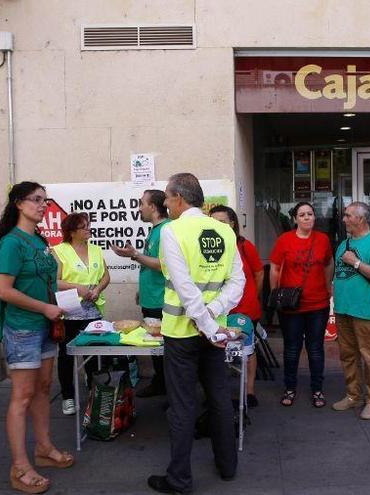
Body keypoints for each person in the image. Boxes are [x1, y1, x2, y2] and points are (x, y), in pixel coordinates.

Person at [147, 173, 245, 494]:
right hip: (213, 333)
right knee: (219, 398)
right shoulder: (223, 230)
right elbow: (237, 283)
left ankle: (179, 479)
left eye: (166, 197)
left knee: (182, 405)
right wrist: (214, 321)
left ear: (178, 198)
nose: (164, 203)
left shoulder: (173, 232)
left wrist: (204, 322)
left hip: (182, 334)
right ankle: (227, 466)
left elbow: (185, 289)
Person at [0, 182, 73, 494]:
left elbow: (49, 279)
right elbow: (4, 290)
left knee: (43, 389)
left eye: (45, 200)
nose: (43, 205)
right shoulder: (12, 243)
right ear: (18, 203)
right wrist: (45, 307)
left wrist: (75, 292)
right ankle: (20, 466)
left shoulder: (39, 240)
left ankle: (44, 448)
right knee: (23, 396)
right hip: (23, 328)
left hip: (45, 326)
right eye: (36, 200)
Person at [269, 201, 333, 408]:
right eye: (302, 214)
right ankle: (290, 388)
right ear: (295, 219)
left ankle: (317, 389)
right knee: (292, 349)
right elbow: (275, 268)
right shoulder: (284, 240)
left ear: (314, 217)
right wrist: (275, 294)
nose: (307, 217)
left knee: (315, 349)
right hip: (291, 306)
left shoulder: (322, 240)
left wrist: (328, 286)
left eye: (310, 214)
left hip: (318, 304)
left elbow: (329, 263)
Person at [331, 202, 370, 420]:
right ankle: (353, 395)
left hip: (366, 311)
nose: (344, 219)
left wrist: (355, 262)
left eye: (348, 216)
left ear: (361, 219)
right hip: (344, 309)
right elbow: (337, 274)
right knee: (347, 355)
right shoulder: (343, 244)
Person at [111, 189, 171, 398]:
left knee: (164, 349)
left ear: (153, 207)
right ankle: (161, 384)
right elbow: (150, 264)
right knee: (155, 346)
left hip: (161, 300)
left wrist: (134, 255)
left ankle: (170, 391)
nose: (139, 208)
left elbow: (164, 265)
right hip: (150, 297)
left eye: (141, 203)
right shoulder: (154, 230)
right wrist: (141, 289)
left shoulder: (166, 230)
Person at [53, 212, 110, 415]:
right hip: (69, 312)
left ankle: (94, 390)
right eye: (83, 227)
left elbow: (105, 276)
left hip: (93, 311)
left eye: (88, 225)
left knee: (93, 354)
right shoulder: (59, 251)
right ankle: (68, 397)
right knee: (67, 356)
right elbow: (55, 281)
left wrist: (97, 290)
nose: (88, 229)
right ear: (71, 232)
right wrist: (77, 288)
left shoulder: (95, 249)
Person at [209, 204, 263, 407]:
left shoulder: (244, 246)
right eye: (213, 222)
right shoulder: (209, 246)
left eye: (222, 222)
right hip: (219, 310)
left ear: (233, 224)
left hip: (245, 308)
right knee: (218, 352)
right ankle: (220, 392)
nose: (218, 226)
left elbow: (259, 273)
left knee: (248, 351)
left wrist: (250, 296)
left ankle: (249, 391)